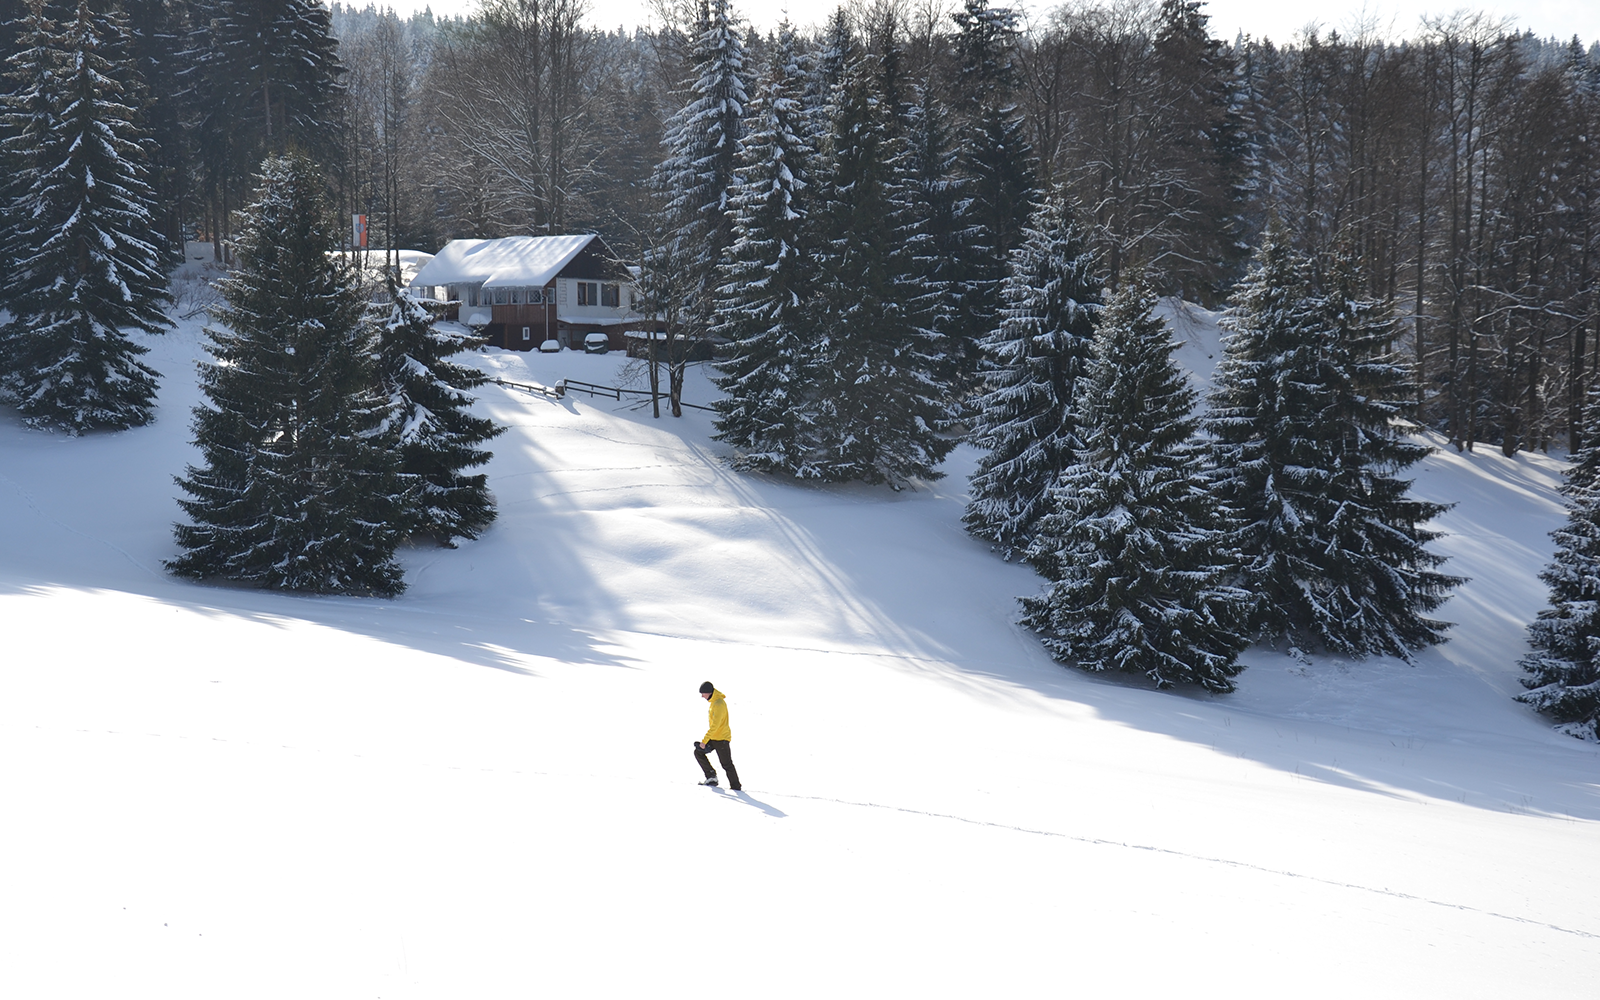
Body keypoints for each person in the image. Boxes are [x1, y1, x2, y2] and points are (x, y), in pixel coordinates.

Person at [693, 681, 741, 790]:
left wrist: (704, 741)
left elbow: (715, 726)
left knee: (726, 764)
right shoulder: (714, 702)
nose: (702, 696)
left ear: (709, 692)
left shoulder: (719, 704)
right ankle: (711, 777)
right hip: (715, 737)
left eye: (703, 693)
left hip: (722, 739)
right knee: (698, 752)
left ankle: (736, 787)